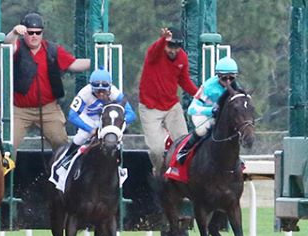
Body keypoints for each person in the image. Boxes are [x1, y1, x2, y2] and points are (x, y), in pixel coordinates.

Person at [7, 12, 91, 151]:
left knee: (61, 144)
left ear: (42, 33)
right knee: (8, 147)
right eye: (30, 32)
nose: (34, 36)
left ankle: (62, 172)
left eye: (38, 32)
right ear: (24, 33)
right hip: (19, 110)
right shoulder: (17, 47)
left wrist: (96, 61)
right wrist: (14, 32)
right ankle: (6, 172)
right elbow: (7, 45)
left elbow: (73, 64)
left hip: (48, 109)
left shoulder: (52, 49)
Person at [53, 68, 136, 173]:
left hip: (106, 119)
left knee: (114, 138)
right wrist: (90, 129)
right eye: (97, 91)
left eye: (104, 91)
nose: (101, 94)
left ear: (109, 87)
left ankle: (118, 167)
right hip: (87, 117)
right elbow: (72, 116)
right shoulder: (84, 93)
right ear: (92, 88)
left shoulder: (115, 93)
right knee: (82, 136)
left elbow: (131, 114)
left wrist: (118, 123)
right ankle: (66, 159)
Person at [138, 26, 197, 173]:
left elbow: (184, 81)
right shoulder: (156, 52)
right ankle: (160, 173)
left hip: (171, 106)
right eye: (170, 46)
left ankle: (182, 175)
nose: (173, 50)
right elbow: (153, 52)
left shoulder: (182, 57)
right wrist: (163, 39)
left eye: (177, 47)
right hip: (150, 107)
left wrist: (199, 95)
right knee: (156, 149)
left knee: (185, 144)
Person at [187, 56, 243, 141]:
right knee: (202, 130)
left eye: (231, 78)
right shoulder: (207, 87)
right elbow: (191, 109)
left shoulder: (236, 87)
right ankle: (185, 150)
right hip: (204, 115)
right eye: (224, 78)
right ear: (218, 76)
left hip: (219, 117)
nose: (228, 82)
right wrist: (211, 110)